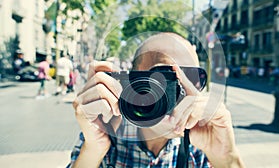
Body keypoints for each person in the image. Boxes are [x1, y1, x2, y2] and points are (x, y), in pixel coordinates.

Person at [68, 32, 245, 167]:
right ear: (133, 83)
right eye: (164, 78)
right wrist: (93, 149)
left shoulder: (202, 140)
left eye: (192, 77)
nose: (179, 91)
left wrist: (226, 158)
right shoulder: (109, 131)